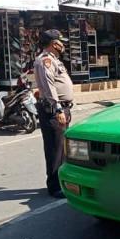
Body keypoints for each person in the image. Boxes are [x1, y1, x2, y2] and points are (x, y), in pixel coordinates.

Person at [35, 30, 74, 199]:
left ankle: (60, 181)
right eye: (60, 41)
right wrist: (58, 109)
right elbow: (49, 87)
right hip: (53, 111)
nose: (62, 44)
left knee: (62, 148)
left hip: (61, 108)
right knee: (55, 149)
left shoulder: (54, 60)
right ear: (53, 43)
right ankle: (54, 186)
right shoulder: (46, 61)